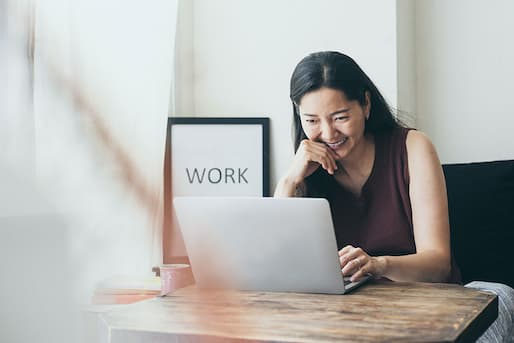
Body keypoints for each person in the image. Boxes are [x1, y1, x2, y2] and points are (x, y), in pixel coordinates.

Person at [275, 51, 513, 342]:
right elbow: (280, 273)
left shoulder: (412, 148)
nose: (327, 133)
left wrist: (378, 265)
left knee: (502, 298)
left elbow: (439, 265)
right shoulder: (308, 174)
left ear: (365, 104)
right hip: (348, 320)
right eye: (311, 120)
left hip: (428, 311)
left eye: (340, 117)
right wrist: (289, 180)